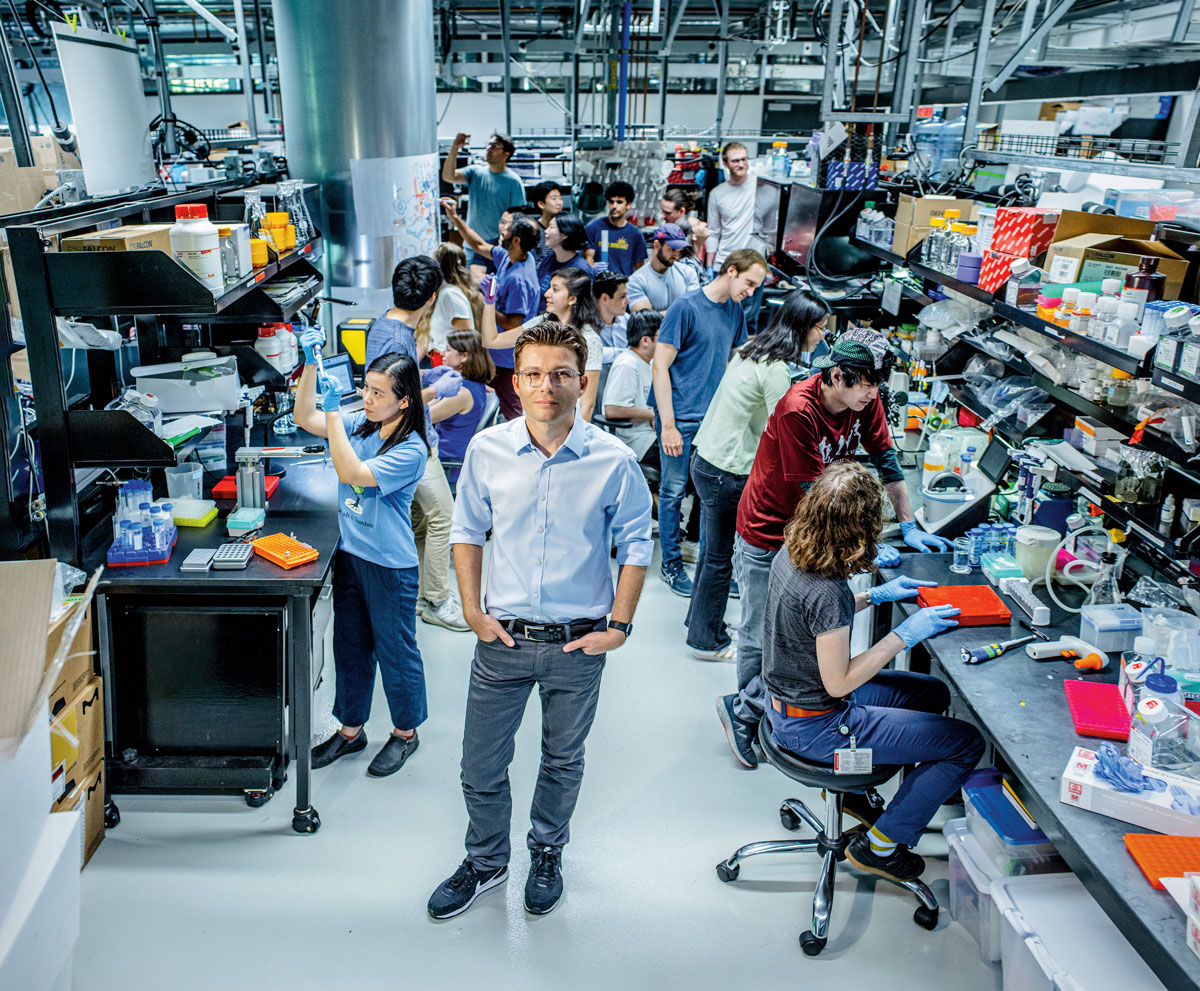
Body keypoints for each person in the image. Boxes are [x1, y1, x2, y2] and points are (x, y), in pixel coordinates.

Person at [427, 319, 653, 920]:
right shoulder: (488, 450)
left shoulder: (614, 461)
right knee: (479, 765)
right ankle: (486, 861)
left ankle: (547, 853)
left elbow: (637, 544)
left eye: (560, 374)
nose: (545, 386)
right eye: (532, 374)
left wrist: (619, 627)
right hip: (501, 640)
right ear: (517, 382)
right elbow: (467, 530)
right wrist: (472, 610)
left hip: (578, 645)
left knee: (562, 760)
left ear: (582, 382)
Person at [718, 329, 952, 769]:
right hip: (770, 529)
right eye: (865, 384)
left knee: (804, 633)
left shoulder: (865, 397)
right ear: (837, 376)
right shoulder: (797, 409)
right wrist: (863, 545)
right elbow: (816, 494)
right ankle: (745, 713)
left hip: (815, 529)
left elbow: (886, 459)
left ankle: (766, 713)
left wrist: (907, 524)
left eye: (877, 385)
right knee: (763, 633)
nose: (872, 394)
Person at [762, 461, 983, 883]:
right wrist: (903, 635)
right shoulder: (825, 591)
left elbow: (817, 621)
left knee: (932, 694)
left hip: (788, 704)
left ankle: (863, 796)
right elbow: (839, 682)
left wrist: (874, 596)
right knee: (964, 744)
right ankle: (880, 846)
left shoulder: (792, 550)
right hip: (818, 726)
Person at [295, 332, 431, 778]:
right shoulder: (365, 424)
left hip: (390, 566)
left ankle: (405, 733)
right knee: (350, 647)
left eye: (378, 393)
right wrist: (309, 365)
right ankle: (351, 731)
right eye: (365, 389)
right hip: (352, 556)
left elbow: (351, 471)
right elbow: (304, 416)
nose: (367, 399)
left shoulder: (411, 450)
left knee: (395, 652)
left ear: (404, 401)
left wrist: (335, 412)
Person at [685, 291, 830, 662]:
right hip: (728, 470)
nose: (822, 337)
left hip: (707, 459)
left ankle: (701, 625)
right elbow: (786, 427)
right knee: (721, 559)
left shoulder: (752, 350)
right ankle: (707, 642)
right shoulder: (778, 370)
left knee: (711, 554)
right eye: (820, 328)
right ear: (802, 327)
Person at [651, 248, 768, 597]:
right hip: (679, 415)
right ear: (731, 271)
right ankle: (671, 565)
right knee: (673, 491)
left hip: (712, 418)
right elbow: (659, 366)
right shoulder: (685, 308)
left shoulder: (734, 311)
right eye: (748, 283)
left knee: (711, 493)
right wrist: (668, 425)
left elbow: (739, 358)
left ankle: (710, 569)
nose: (750, 292)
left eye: (756, 287)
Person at [363, 257, 470, 633]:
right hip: (411, 443)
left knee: (422, 522)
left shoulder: (385, 326)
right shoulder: (398, 336)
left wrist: (423, 374)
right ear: (432, 297)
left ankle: (423, 596)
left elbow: (391, 380)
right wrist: (435, 390)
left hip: (400, 440)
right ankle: (438, 601)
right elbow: (390, 402)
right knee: (445, 517)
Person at [442, 196, 541, 420]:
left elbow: (513, 323)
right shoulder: (510, 256)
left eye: (507, 229)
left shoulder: (519, 279)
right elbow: (478, 245)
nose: (502, 230)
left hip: (507, 359)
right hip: (494, 354)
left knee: (512, 410)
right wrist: (454, 217)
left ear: (516, 240)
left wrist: (485, 302)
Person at [481, 266, 606, 422]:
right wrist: (489, 302)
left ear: (572, 299)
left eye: (555, 289)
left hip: (566, 423)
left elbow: (587, 405)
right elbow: (491, 341)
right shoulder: (540, 323)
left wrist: (575, 436)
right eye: (549, 288)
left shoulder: (590, 340)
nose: (547, 294)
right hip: (534, 418)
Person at [442, 131, 526, 274]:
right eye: (488, 145)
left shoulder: (513, 181)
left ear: (506, 154)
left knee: (498, 284)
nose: (489, 149)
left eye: (495, 147)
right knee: (472, 285)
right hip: (472, 245)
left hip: (498, 247)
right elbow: (448, 176)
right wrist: (455, 148)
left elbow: (517, 216)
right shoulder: (475, 173)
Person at [705, 142, 766, 333]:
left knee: (748, 322)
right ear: (725, 164)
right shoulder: (717, 194)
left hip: (754, 265)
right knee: (719, 319)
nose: (740, 164)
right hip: (725, 263)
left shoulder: (761, 186)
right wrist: (709, 266)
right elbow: (713, 231)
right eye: (735, 161)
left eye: (744, 159)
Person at [425, 329, 495, 485]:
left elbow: (421, 416)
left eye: (448, 350)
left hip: (445, 462)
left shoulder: (461, 394)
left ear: (464, 356)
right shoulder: (469, 385)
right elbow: (427, 406)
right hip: (445, 454)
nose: (442, 353)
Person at [603, 310, 661, 470]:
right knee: (686, 456)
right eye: (661, 336)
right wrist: (652, 415)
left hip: (652, 436)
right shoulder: (627, 364)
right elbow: (613, 410)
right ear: (645, 340)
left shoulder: (649, 363)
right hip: (637, 441)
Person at [423, 243, 482, 361]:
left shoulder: (450, 295)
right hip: (440, 358)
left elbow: (465, 339)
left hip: (448, 361)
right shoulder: (443, 291)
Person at [627, 223, 700, 313]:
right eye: (672, 249)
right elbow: (645, 320)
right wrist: (682, 311)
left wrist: (659, 314)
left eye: (679, 251)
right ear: (656, 245)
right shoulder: (636, 281)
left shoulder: (688, 272)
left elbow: (694, 311)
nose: (677, 256)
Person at [584, 181, 648, 276]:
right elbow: (589, 258)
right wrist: (592, 270)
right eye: (611, 202)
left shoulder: (635, 234)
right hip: (599, 282)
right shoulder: (593, 228)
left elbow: (639, 268)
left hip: (624, 283)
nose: (614, 206)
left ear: (628, 204)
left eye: (619, 202)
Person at [536, 212, 592, 303]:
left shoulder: (581, 268)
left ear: (565, 234)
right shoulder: (547, 260)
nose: (546, 231)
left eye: (551, 227)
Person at [593, 270, 630, 363]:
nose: (628, 301)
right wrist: (628, 353)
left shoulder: (628, 320)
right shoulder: (585, 325)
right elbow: (592, 354)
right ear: (605, 298)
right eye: (622, 296)